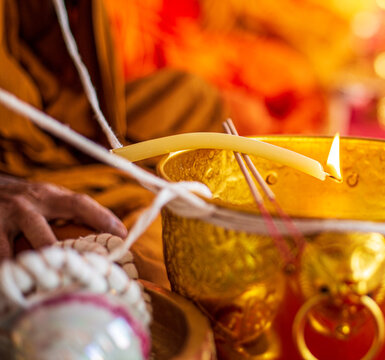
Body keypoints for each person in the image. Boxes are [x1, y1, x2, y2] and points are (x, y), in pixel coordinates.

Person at [0, 0, 225, 287]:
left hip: (48, 118)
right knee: (81, 262)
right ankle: (132, 247)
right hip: (11, 162)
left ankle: (117, 191)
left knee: (194, 97)